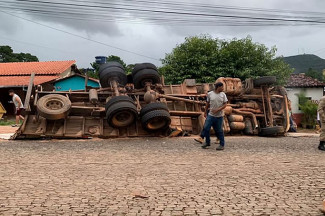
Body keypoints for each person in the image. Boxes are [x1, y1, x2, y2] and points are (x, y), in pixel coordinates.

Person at [201, 82, 228, 151]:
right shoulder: (210, 94)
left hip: (219, 116)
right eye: (222, 87)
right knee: (206, 128)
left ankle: (222, 145)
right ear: (218, 87)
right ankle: (207, 142)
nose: (223, 88)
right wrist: (205, 112)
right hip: (211, 115)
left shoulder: (223, 95)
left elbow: (225, 104)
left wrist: (218, 109)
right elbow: (207, 104)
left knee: (219, 130)